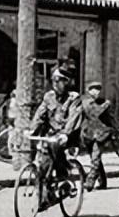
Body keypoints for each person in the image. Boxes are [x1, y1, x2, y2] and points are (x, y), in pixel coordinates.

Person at [31, 67, 81, 207]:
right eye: (53, 80)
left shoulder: (74, 98)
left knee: (56, 147)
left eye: (58, 80)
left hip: (68, 136)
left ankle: (63, 176)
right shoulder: (49, 97)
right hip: (51, 136)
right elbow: (40, 114)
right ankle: (44, 199)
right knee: (43, 167)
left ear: (66, 82)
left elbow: (73, 118)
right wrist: (31, 130)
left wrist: (65, 134)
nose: (55, 83)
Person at [79, 81, 115, 191]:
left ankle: (91, 182)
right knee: (96, 159)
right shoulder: (87, 101)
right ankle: (100, 182)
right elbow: (95, 112)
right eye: (94, 89)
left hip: (99, 134)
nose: (97, 91)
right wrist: (106, 104)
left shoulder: (97, 101)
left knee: (96, 158)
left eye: (99, 89)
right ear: (89, 90)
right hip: (91, 134)